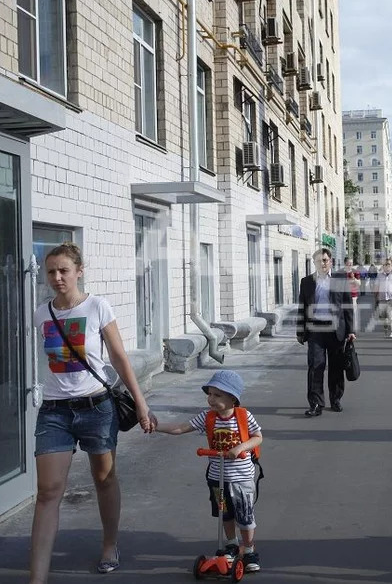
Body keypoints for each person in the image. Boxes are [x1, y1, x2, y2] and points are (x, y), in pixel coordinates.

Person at [29, 242, 156, 583]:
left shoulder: (97, 306)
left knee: (104, 478)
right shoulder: (41, 313)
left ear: (79, 271)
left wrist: (141, 405)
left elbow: (119, 358)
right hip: (54, 412)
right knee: (47, 492)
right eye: (51, 271)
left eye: (64, 270)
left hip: (97, 407)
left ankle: (110, 544)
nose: (57, 277)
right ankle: (36, 578)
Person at [156, 370, 263, 573]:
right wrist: (156, 426)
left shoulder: (243, 416)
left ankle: (248, 550)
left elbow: (257, 437)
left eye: (217, 395)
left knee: (245, 516)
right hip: (217, 477)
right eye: (210, 394)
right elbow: (180, 428)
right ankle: (231, 545)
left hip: (241, 478)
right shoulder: (208, 418)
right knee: (225, 513)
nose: (211, 399)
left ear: (232, 398)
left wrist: (240, 448)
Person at [296, 247, 356, 416]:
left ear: (330, 261)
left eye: (325, 260)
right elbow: (302, 308)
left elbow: (347, 306)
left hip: (336, 330)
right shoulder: (306, 282)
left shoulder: (340, 278)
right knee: (315, 366)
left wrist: (351, 330)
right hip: (315, 330)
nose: (322, 263)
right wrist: (300, 331)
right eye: (318, 261)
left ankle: (335, 399)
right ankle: (315, 403)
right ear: (314, 263)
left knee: (336, 367)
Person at [374, 259, 392, 338]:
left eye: (389, 264)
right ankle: (386, 327)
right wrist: (375, 297)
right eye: (386, 264)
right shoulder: (379, 275)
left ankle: (391, 332)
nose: (387, 266)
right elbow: (376, 286)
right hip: (382, 298)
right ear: (383, 266)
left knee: (391, 315)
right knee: (383, 316)